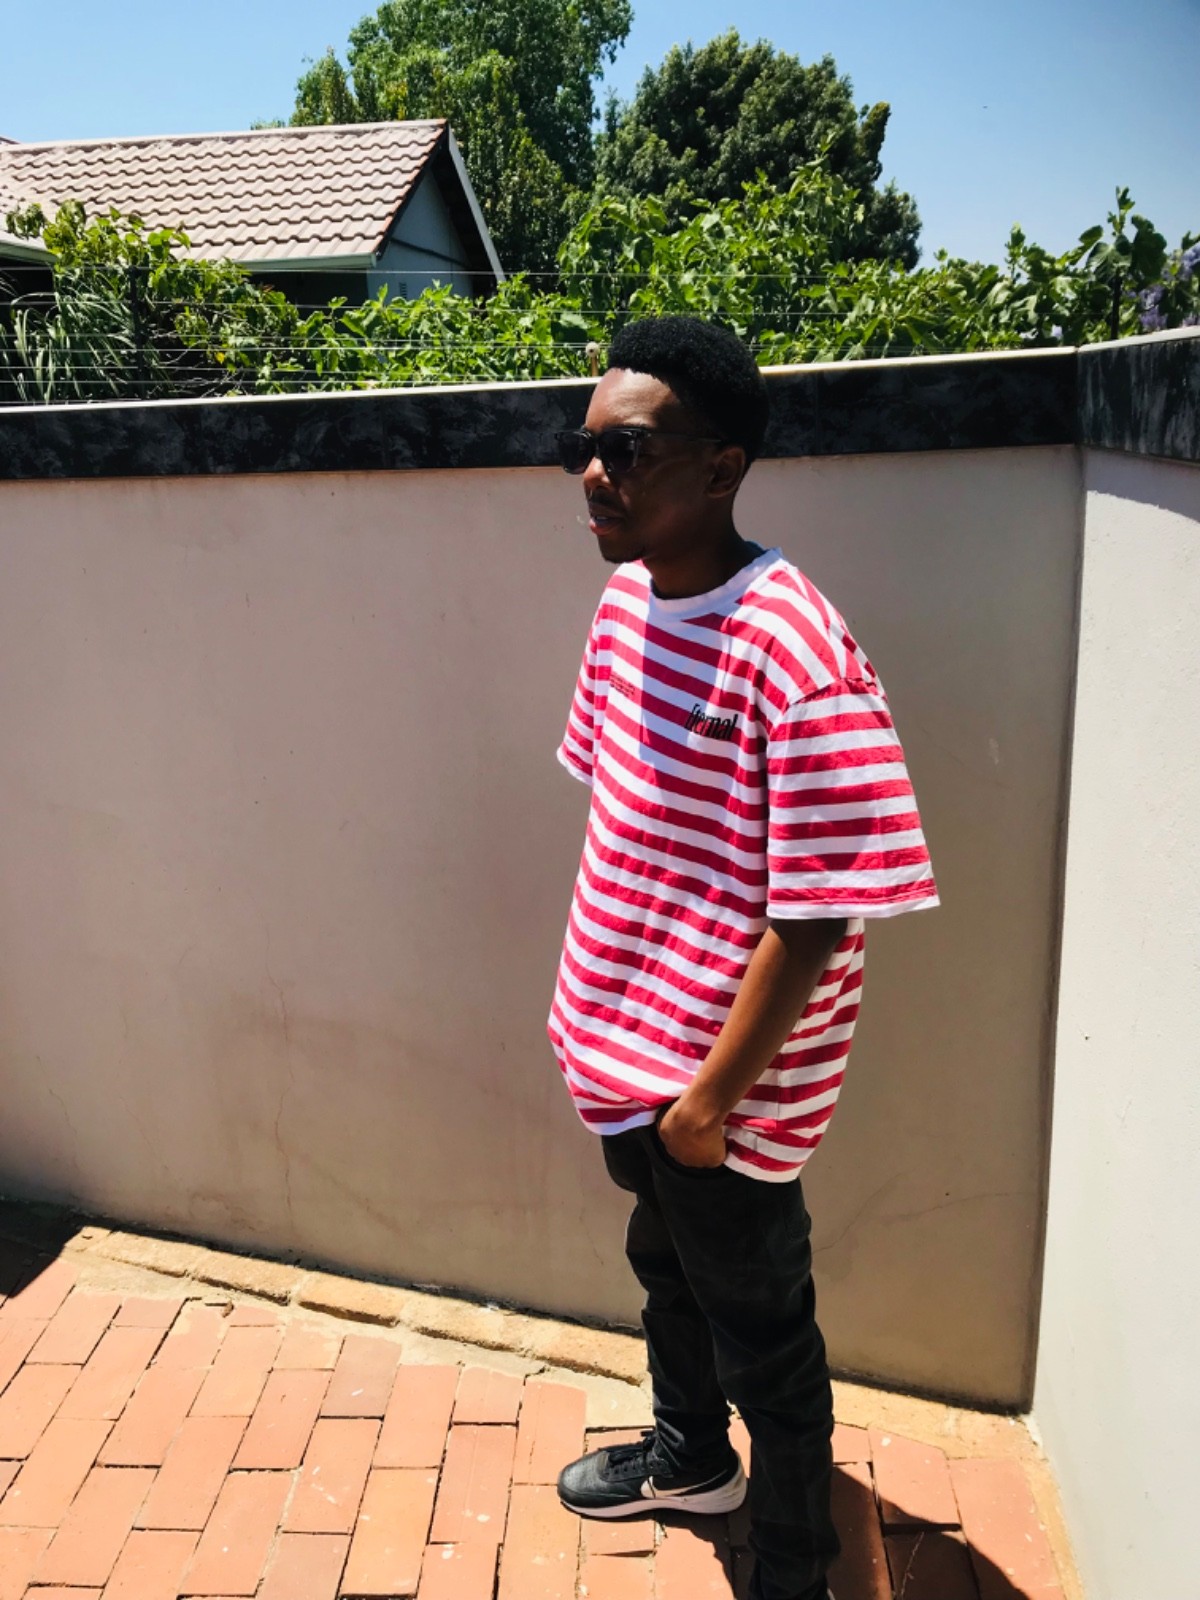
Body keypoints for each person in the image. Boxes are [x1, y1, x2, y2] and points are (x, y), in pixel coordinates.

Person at [548, 315, 938, 1600]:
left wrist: (710, 1101)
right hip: (624, 1051)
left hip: (723, 1086)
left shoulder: (794, 647)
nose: (596, 474)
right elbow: (624, 811)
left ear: (720, 468)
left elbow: (823, 912)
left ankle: (792, 1565)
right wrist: (613, 1033)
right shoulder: (623, 604)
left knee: (768, 1340)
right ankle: (689, 1457)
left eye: (630, 449)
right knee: (664, 1270)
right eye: (584, 449)